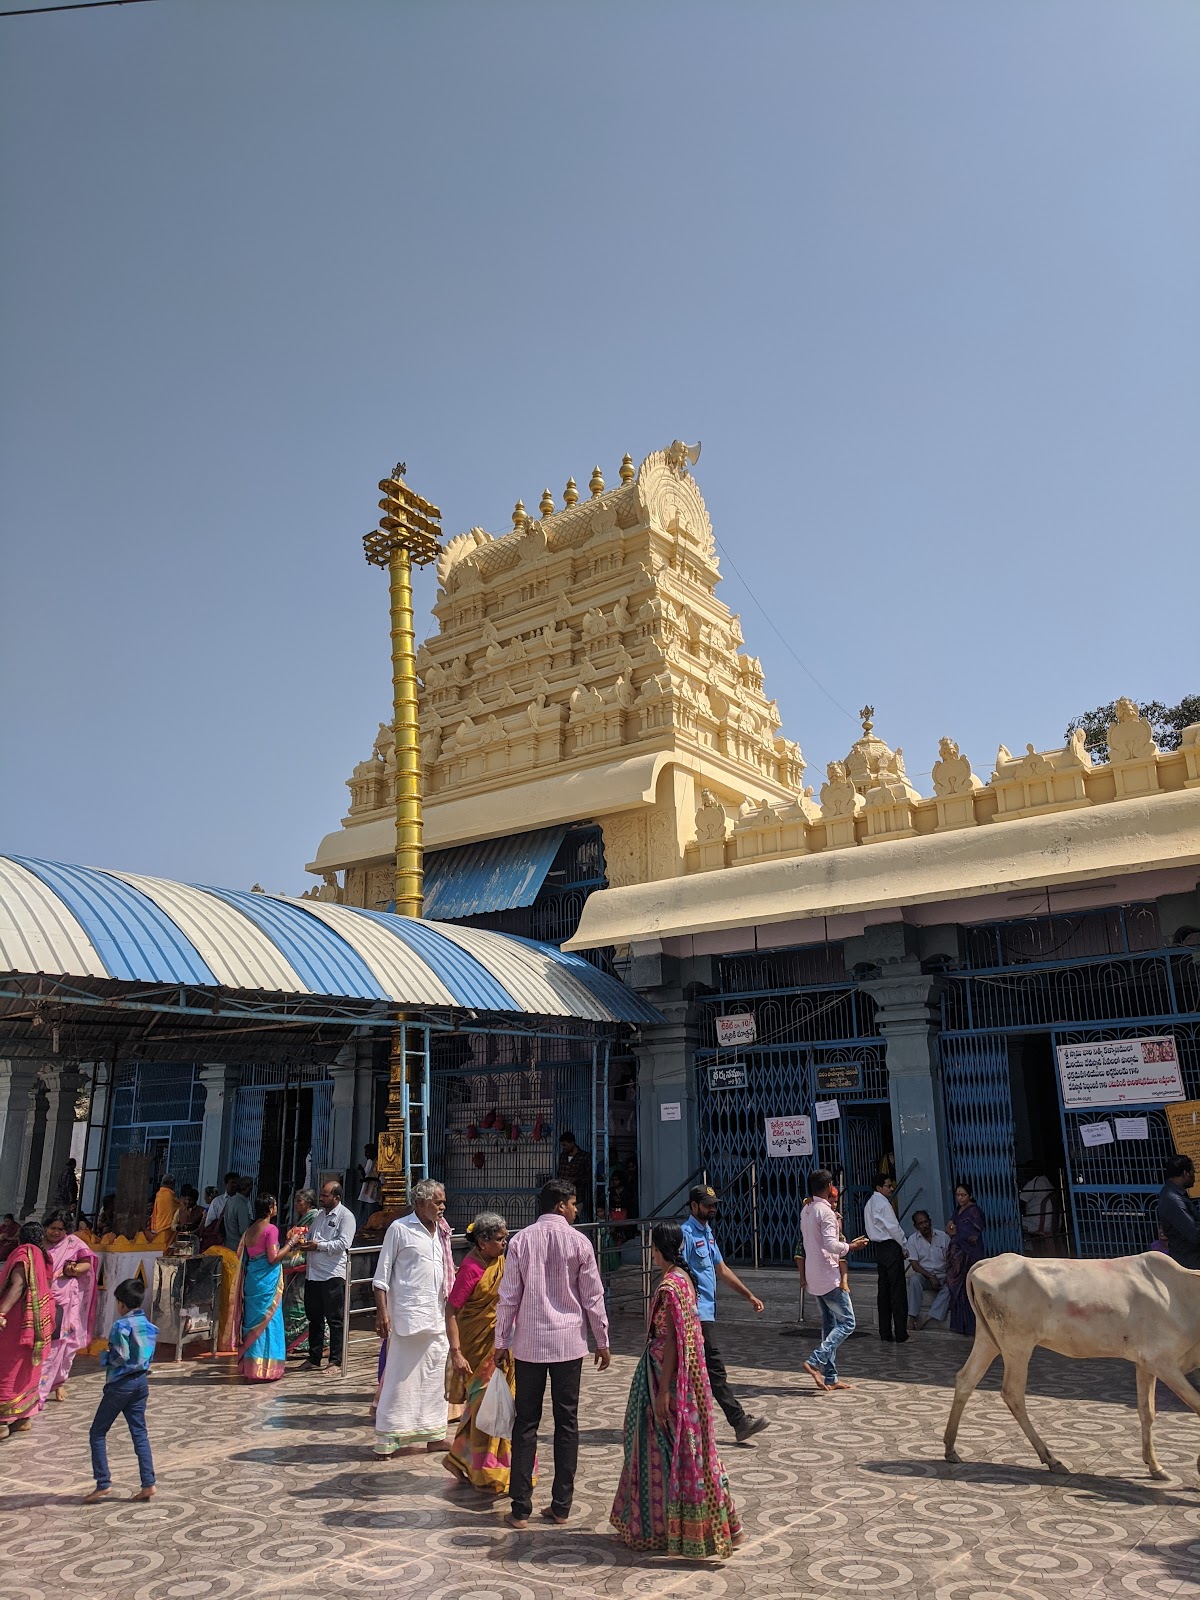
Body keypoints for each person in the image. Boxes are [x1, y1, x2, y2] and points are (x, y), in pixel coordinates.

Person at [610, 1220, 744, 1560]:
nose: (652, 1254)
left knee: (654, 1447)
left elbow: (671, 1339)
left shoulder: (671, 1285)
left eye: (653, 1248)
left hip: (665, 1378)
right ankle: (705, 1522)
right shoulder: (685, 1279)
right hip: (681, 1379)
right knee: (687, 1448)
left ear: (658, 1250)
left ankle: (659, 1527)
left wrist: (664, 1391)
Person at [495, 1178, 610, 1530]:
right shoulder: (580, 1242)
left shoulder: (520, 1241)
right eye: (574, 1203)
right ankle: (561, 1506)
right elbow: (592, 1295)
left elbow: (509, 1295)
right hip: (568, 1344)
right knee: (567, 1423)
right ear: (560, 1205)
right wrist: (602, 1338)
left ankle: (520, 1509)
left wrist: (501, 1341)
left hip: (528, 1344)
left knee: (525, 1423)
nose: (576, 1209)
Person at [373, 1179, 464, 1456]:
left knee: (435, 1380)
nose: (442, 1206)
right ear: (421, 1203)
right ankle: (388, 1438)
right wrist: (382, 1311)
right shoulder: (400, 1229)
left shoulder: (442, 1232)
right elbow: (381, 1276)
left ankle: (435, 1435)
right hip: (407, 1317)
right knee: (399, 1381)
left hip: (437, 1318)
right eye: (437, 1202)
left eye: (443, 1201)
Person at [681, 1184, 768, 1444]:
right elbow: (678, 1272)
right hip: (696, 1312)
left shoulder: (707, 1233)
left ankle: (691, 1424)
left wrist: (748, 1295)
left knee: (700, 1371)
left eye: (714, 1204)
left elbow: (721, 1269)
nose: (712, 1209)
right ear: (694, 1206)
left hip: (707, 1311)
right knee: (713, 1369)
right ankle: (739, 1421)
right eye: (707, 1205)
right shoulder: (685, 1234)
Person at [444, 1211, 519, 1493]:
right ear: (483, 1241)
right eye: (500, 1239)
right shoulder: (472, 1269)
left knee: (493, 1407)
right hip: (475, 1347)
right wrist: (456, 1352)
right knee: (485, 1407)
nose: (505, 1243)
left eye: (506, 1237)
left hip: (499, 1342)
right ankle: (485, 1472)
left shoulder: (499, 1261)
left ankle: (462, 1459)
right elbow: (452, 1309)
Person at [84, 1277, 157, 1503]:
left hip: (120, 1385)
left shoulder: (121, 1325)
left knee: (97, 1432)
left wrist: (104, 1357)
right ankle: (148, 1484)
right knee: (139, 1433)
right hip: (141, 1383)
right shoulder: (148, 1325)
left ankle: (103, 1482)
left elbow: (121, 1356)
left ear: (122, 1304)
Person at [800, 1169, 869, 1392]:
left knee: (829, 1323)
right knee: (848, 1323)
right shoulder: (825, 1212)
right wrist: (852, 1246)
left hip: (814, 1276)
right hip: (829, 1277)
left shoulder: (807, 1209)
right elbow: (831, 1245)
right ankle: (815, 1360)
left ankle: (830, 1376)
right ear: (829, 1186)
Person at [0, 1221, 55, 1440]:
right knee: (26, 1368)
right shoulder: (41, 1255)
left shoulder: (24, 1254)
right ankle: (23, 1418)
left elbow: (18, 1285)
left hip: (18, 1322)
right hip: (40, 1322)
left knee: (8, 1368)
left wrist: (1, 1312)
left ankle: (2, 1422)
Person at [38, 1211, 98, 1403]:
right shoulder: (37, 1244)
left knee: (66, 1346)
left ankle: (58, 1383)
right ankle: (37, 1385)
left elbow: (87, 1264)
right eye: (53, 1228)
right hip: (41, 1299)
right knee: (41, 1343)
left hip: (66, 1302)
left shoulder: (72, 1243)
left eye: (60, 1229)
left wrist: (74, 1269)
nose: (56, 1233)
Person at [297, 1179, 356, 1371]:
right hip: (313, 1274)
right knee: (314, 1317)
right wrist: (305, 1242)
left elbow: (343, 1244)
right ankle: (314, 1358)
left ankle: (335, 1360)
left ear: (336, 1197)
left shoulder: (346, 1216)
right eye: (321, 1195)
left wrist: (318, 1246)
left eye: (325, 1195)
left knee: (334, 1318)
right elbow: (312, 1235)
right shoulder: (320, 1216)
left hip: (332, 1274)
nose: (321, 1198)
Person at [234, 1193, 293, 1382]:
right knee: (270, 1322)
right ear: (269, 1208)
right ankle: (268, 1369)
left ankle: (251, 1367)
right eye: (275, 1205)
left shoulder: (249, 1230)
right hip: (267, 1285)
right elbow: (273, 1257)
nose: (277, 1207)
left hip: (252, 1282)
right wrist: (292, 1242)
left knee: (253, 1322)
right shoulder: (271, 1230)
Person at [864, 1174, 909, 1343]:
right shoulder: (883, 1204)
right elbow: (894, 1229)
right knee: (897, 1291)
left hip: (879, 1250)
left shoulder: (869, 1204)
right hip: (890, 1247)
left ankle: (885, 1332)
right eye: (888, 1186)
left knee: (883, 1292)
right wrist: (904, 1246)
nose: (891, 1189)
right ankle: (901, 1333)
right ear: (879, 1188)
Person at [945, 1182, 986, 1337]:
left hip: (970, 1256)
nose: (960, 1198)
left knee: (971, 1289)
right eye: (958, 1195)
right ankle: (960, 1325)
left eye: (963, 1195)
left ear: (970, 1195)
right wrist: (953, 1230)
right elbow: (948, 1227)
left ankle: (973, 1326)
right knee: (959, 1291)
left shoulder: (974, 1212)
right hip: (957, 1258)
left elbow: (972, 1233)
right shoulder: (958, 1211)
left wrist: (956, 1231)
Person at [282, 1188, 318, 1355]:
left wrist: (296, 1240)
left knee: (301, 1301)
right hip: (294, 1266)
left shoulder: (315, 1217)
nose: (296, 1204)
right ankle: (295, 1342)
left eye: (299, 1201)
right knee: (293, 1301)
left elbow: (311, 1239)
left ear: (308, 1203)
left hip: (305, 1265)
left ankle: (304, 1342)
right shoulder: (303, 1218)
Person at [905, 1210, 951, 1329]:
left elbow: (951, 1260)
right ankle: (912, 1317)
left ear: (930, 1222)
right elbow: (914, 1265)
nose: (924, 1225)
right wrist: (930, 1277)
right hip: (925, 1276)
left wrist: (948, 1276)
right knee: (914, 1280)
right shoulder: (912, 1240)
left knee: (952, 1286)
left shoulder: (943, 1237)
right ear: (916, 1226)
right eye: (920, 1223)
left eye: (926, 1222)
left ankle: (928, 1317)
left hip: (943, 1275)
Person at [1157, 1155, 1200, 1268]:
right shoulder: (1173, 1200)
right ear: (1186, 1173)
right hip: (1189, 1261)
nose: (1194, 1177)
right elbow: (1194, 1233)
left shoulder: (1176, 1194)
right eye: (1193, 1173)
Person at [557, 1133, 592, 1218]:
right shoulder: (562, 1156)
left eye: (565, 1145)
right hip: (563, 1195)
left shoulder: (584, 1157)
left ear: (572, 1143)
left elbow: (590, 1176)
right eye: (562, 1145)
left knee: (574, 1220)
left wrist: (576, 1180)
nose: (564, 1148)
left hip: (577, 1196)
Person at [223, 1178, 253, 1253]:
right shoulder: (241, 1204)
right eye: (251, 1187)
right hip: (238, 1246)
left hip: (228, 1244)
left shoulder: (230, 1201)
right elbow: (243, 1230)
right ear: (245, 1188)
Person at [356, 1143, 381, 1227]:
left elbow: (381, 1179)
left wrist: (367, 1179)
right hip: (366, 1190)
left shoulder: (379, 1161)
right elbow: (365, 1176)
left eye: (368, 1152)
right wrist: (361, 1171)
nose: (366, 1154)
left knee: (372, 1212)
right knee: (363, 1212)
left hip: (374, 1191)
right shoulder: (370, 1161)